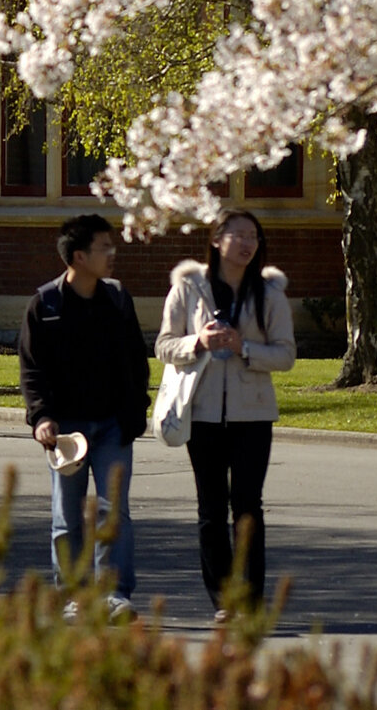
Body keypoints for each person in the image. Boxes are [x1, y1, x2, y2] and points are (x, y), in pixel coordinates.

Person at [156, 209, 295, 618]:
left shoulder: (269, 292)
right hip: (201, 414)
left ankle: (250, 600)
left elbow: (286, 355)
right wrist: (197, 342)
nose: (248, 243)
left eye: (254, 236)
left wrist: (243, 348)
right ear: (217, 240)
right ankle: (222, 599)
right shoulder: (188, 288)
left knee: (248, 506)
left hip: (253, 415)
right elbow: (163, 345)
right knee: (211, 509)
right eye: (239, 235)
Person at [20, 213, 152, 617]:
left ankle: (115, 596)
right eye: (103, 247)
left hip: (114, 426)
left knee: (115, 511)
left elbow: (136, 359)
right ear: (79, 256)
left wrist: (135, 412)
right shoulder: (45, 304)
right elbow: (32, 370)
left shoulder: (117, 299)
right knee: (68, 516)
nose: (112, 254)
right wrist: (42, 417)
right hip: (65, 433)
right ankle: (74, 596)